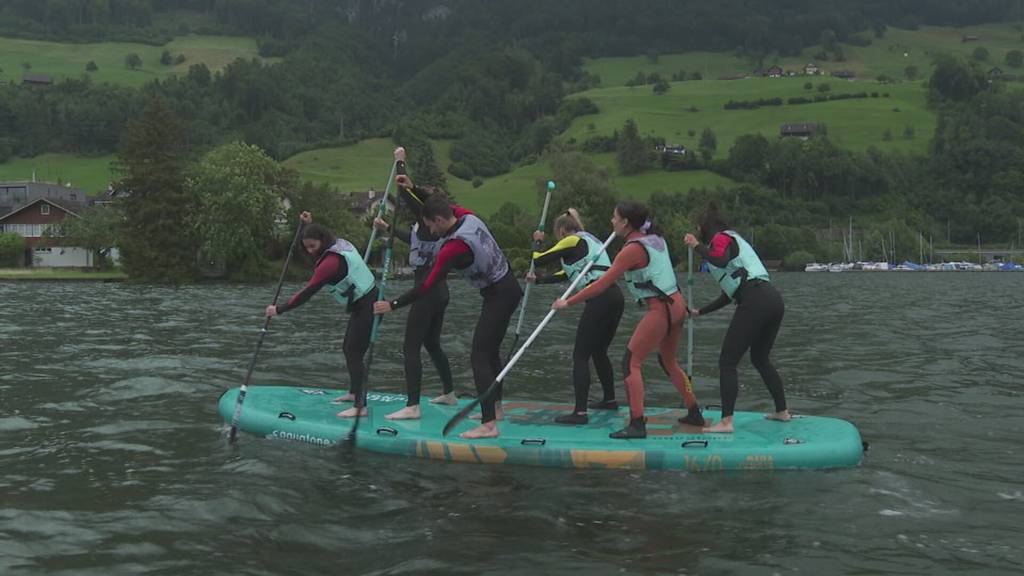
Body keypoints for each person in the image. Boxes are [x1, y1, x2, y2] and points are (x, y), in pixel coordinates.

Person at [374, 190, 522, 440]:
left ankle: (488, 425)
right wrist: (409, 186)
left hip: (500, 295)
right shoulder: (466, 216)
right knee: (491, 352)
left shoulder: (453, 247)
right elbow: (430, 203)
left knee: (479, 355)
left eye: (431, 226)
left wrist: (393, 304)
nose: (431, 232)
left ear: (440, 220)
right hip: (508, 288)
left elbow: (426, 286)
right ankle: (495, 409)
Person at [553, 201, 703, 439]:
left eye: (614, 218)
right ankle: (694, 411)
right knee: (669, 361)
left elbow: (601, 284)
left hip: (660, 309)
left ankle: (637, 424)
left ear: (625, 222)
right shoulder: (656, 238)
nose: (611, 221)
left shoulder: (632, 249)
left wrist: (567, 302)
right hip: (677, 306)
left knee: (630, 363)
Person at [684, 201, 790, 433]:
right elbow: (729, 293)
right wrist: (699, 312)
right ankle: (782, 411)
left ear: (705, 228)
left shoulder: (721, 239)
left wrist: (696, 246)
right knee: (760, 359)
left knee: (727, 361)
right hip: (772, 299)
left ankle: (726, 422)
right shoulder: (732, 241)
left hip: (756, 300)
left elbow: (719, 260)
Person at [265, 211, 378, 418]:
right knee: (349, 348)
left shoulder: (330, 263)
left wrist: (278, 309)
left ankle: (361, 406)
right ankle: (354, 394)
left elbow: (306, 293)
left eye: (312, 247)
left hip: (368, 305)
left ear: (322, 241)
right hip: (363, 301)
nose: (309, 251)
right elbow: (318, 234)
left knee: (354, 353)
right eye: (306, 247)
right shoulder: (337, 243)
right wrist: (309, 224)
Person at [370, 147, 456, 420]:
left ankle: (412, 406)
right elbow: (413, 241)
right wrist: (387, 229)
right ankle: (450, 393)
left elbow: (408, 196)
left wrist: (400, 164)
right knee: (431, 344)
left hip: (427, 292)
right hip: (439, 291)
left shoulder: (427, 218)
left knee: (410, 347)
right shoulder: (427, 229)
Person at [527, 208, 624, 424]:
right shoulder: (590, 241)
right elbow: (567, 274)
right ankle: (609, 399)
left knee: (580, 355)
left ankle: (579, 413)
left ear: (562, 231)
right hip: (615, 297)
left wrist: (538, 242)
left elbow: (538, 260)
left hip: (600, 298)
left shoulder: (571, 239)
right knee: (599, 352)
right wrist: (539, 281)